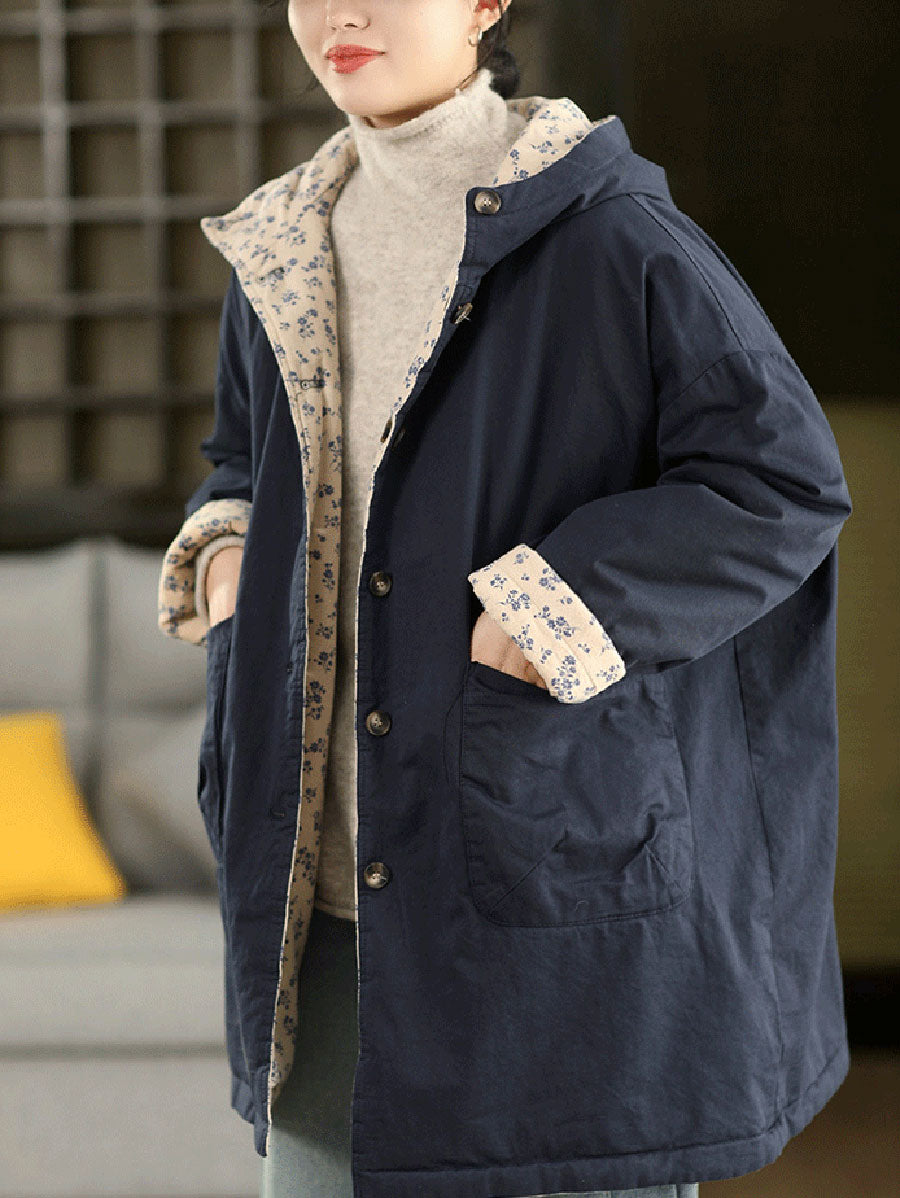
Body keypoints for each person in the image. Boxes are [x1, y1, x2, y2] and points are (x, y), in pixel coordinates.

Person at [157, 2, 853, 1196]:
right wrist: (227, 560)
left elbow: (779, 480)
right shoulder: (280, 246)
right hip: (322, 917)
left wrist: (552, 606)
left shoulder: (612, 235)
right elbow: (238, 461)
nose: (341, 13)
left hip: (555, 917)